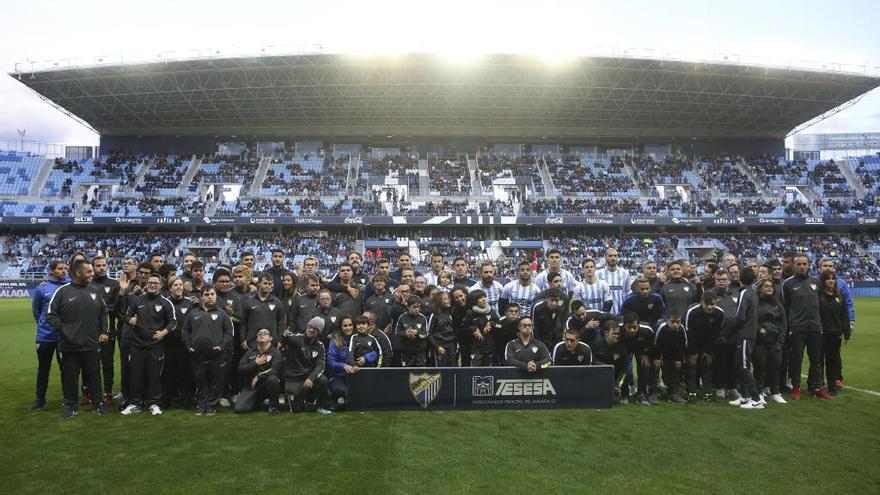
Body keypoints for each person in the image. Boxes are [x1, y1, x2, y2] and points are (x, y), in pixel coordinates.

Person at [46, 259, 110, 418]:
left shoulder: (95, 290)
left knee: (94, 377)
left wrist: (104, 331)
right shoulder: (62, 292)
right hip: (69, 346)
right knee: (70, 378)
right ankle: (70, 406)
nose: (91, 274)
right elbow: (50, 315)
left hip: (91, 344)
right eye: (88, 271)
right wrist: (65, 330)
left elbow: (103, 312)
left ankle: (98, 404)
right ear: (77, 273)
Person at [121, 273, 176, 416]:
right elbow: (126, 315)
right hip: (137, 345)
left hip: (156, 346)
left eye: (155, 283)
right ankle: (135, 403)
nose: (152, 285)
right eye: (150, 282)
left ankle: (154, 403)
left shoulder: (166, 303)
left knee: (155, 376)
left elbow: (172, 322)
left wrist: (163, 332)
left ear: (160, 285)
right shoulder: (137, 300)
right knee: (135, 375)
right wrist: (129, 320)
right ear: (147, 284)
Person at [782, 255, 830, 400]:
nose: (802, 266)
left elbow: (820, 304)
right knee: (796, 359)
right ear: (794, 265)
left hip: (815, 327)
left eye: (804, 263)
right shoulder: (788, 284)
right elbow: (786, 306)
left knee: (816, 360)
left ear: (808, 265)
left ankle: (817, 387)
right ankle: (796, 388)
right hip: (797, 328)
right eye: (799, 264)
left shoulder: (816, 282)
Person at [183, 286, 234, 416]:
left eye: (212, 294)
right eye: (206, 294)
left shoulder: (223, 314)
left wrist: (221, 346)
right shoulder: (193, 313)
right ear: (201, 297)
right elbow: (185, 331)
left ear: (216, 296)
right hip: (197, 354)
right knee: (200, 381)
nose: (210, 296)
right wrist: (188, 346)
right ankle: (201, 405)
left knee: (216, 382)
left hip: (217, 355)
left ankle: (211, 405)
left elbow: (229, 332)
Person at [30, 260, 68, 411]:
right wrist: (44, 325)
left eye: (65, 268)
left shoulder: (69, 286)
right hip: (45, 337)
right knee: (43, 369)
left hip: (64, 337)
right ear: (52, 271)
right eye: (60, 269)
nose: (64, 271)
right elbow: (37, 311)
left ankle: (68, 398)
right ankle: (40, 399)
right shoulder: (42, 289)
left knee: (65, 368)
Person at [281, 317, 330, 414]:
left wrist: (311, 378)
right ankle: (300, 398)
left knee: (323, 380)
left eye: (315, 328)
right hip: (295, 377)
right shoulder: (296, 338)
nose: (311, 330)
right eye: (310, 327)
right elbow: (284, 341)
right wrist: (284, 336)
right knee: (297, 410)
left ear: (318, 332)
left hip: (308, 377)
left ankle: (321, 406)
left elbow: (320, 365)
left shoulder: (320, 346)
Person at [161, 277, 195, 410]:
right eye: (175, 285)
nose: (179, 287)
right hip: (168, 345)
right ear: (170, 288)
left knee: (185, 374)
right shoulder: (165, 303)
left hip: (184, 345)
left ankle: (186, 400)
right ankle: (166, 400)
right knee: (167, 375)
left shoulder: (190, 302)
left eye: (181, 285)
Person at [89, 255, 119, 406]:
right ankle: (92, 393)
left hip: (109, 331)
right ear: (93, 268)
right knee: (90, 364)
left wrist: (107, 309)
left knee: (108, 363)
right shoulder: (88, 284)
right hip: (90, 332)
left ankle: (108, 393)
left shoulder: (114, 284)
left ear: (107, 266)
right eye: (98, 266)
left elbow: (118, 306)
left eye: (103, 265)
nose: (101, 268)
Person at [683, 292, 724, 403]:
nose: (710, 307)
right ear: (701, 302)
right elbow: (688, 332)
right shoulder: (692, 311)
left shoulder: (720, 313)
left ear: (716, 302)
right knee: (691, 369)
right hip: (691, 343)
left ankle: (708, 393)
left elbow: (716, 333)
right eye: (707, 304)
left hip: (707, 344)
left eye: (712, 304)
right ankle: (691, 393)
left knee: (707, 367)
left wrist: (709, 350)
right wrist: (693, 352)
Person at [817, 271, 852, 397]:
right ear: (823, 281)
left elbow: (844, 316)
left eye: (833, 279)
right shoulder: (818, 296)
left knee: (832, 361)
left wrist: (846, 332)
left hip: (835, 333)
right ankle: (818, 385)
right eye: (828, 279)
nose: (831, 281)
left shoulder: (839, 296)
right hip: (821, 333)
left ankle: (832, 387)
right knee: (819, 361)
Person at [754, 278, 787, 404]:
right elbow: (751, 320)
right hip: (759, 342)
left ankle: (775, 392)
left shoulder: (777, 304)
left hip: (775, 341)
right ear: (760, 288)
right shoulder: (755, 302)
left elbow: (783, 323)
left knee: (775, 368)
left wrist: (780, 341)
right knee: (760, 368)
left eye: (771, 286)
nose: (769, 288)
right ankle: (759, 392)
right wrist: (759, 330)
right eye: (766, 286)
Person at [235, 328, 283, 415]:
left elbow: (276, 370)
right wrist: (255, 363)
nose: (262, 335)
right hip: (252, 387)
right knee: (240, 409)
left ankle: (273, 406)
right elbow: (240, 368)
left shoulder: (276, 353)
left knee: (273, 379)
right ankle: (258, 401)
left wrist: (259, 376)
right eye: (259, 334)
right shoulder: (250, 352)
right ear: (257, 338)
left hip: (267, 385)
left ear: (271, 338)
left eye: (265, 333)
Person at [241, 274, 286, 349]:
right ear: (259, 283)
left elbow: (281, 323)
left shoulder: (277, 302)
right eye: (265, 283)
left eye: (270, 284)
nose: (267, 286)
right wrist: (243, 339)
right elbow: (243, 322)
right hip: (252, 341)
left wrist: (280, 340)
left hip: (272, 341)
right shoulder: (248, 302)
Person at [621, 312, 657, 405]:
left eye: (634, 327)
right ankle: (624, 393)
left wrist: (644, 354)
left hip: (641, 349)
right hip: (625, 349)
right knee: (624, 367)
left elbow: (652, 345)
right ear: (624, 326)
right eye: (629, 327)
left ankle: (642, 393)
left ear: (638, 325)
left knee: (645, 365)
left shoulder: (647, 330)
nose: (632, 330)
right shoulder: (618, 330)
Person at [653, 314, 688, 404]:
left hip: (673, 352)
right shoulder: (661, 328)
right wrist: (657, 357)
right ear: (667, 321)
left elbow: (683, 345)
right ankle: (652, 393)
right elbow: (656, 343)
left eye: (678, 322)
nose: (675, 324)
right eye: (673, 322)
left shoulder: (681, 329)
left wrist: (679, 359)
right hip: (659, 351)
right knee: (655, 368)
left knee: (675, 370)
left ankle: (673, 394)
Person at [591, 320, 628, 404]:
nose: (617, 336)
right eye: (614, 333)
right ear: (606, 333)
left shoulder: (622, 348)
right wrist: (605, 367)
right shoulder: (596, 344)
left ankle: (624, 394)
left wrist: (619, 385)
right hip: (600, 378)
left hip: (615, 379)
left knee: (615, 401)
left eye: (618, 333)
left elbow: (624, 370)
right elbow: (592, 362)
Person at [327, 316, 357, 410]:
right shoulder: (335, 341)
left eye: (350, 325)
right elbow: (330, 362)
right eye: (345, 326)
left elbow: (374, 353)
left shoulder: (358, 338)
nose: (348, 328)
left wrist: (365, 358)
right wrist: (343, 365)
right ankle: (337, 398)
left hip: (355, 375)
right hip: (338, 376)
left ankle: (344, 400)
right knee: (346, 392)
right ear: (341, 327)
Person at [462, 289, 498, 366]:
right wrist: (474, 329)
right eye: (480, 298)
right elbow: (464, 327)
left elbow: (500, 325)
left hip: (489, 348)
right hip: (476, 349)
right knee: (475, 372)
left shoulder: (491, 311)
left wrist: (491, 324)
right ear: (474, 301)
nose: (484, 299)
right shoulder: (470, 312)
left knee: (488, 372)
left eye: (484, 297)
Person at [394, 296, 429, 367]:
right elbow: (397, 332)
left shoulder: (423, 318)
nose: (417, 309)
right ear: (408, 307)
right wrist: (405, 333)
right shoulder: (402, 317)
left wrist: (417, 333)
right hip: (406, 352)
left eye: (419, 307)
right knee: (406, 374)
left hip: (420, 352)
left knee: (420, 375)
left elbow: (426, 335)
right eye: (414, 307)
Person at [596, 248, 631, 315]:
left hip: (621, 313)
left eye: (615, 256)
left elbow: (628, 292)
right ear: (605, 257)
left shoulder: (625, 273)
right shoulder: (598, 274)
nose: (613, 258)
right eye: (610, 256)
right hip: (604, 314)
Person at [428, 291, 457, 367]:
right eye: (445, 299)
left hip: (451, 346)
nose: (448, 300)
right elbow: (429, 333)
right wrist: (437, 346)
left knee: (453, 367)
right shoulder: (434, 315)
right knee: (441, 370)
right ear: (439, 301)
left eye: (448, 298)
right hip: (440, 346)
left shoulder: (450, 312)